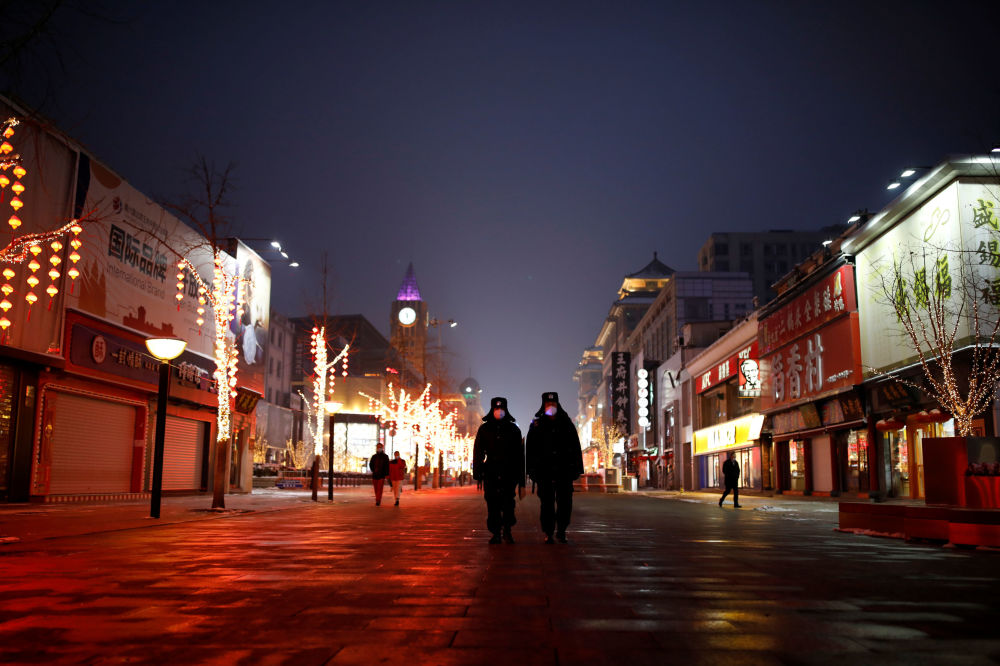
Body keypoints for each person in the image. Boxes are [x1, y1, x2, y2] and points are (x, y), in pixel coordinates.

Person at [526, 392, 584, 544]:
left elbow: (576, 447)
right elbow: (530, 450)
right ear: (543, 406)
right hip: (544, 472)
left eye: (553, 404)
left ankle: (562, 530)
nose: (551, 407)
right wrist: (531, 471)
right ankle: (549, 532)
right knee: (546, 504)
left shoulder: (567, 423)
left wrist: (577, 468)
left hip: (564, 471)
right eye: (548, 404)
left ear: (557, 405)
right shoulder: (536, 425)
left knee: (565, 503)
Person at [472, 397, 525, 544]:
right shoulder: (484, 429)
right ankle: (495, 532)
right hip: (491, 472)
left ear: (506, 409)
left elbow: (519, 456)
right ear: (492, 409)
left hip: (509, 472)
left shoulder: (514, 429)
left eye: (501, 408)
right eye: (496, 408)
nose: (499, 411)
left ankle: (507, 530)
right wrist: (478, 472)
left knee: (508, 503)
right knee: (492, 503)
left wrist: (521, 479)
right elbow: (478, 452)